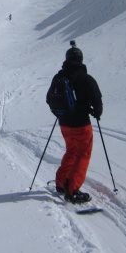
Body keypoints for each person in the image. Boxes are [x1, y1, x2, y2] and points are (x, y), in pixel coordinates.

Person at [46, 41, 102, 204]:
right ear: (81, 59)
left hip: (64, 123)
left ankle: (61, 183)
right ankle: (72, 190)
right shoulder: (85, 77)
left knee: (71, 151)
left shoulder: (59, 77)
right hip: (81, 124)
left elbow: (49, 98)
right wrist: (96, 112)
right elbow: (97, 100)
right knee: (83, 154)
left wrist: (60, 113)